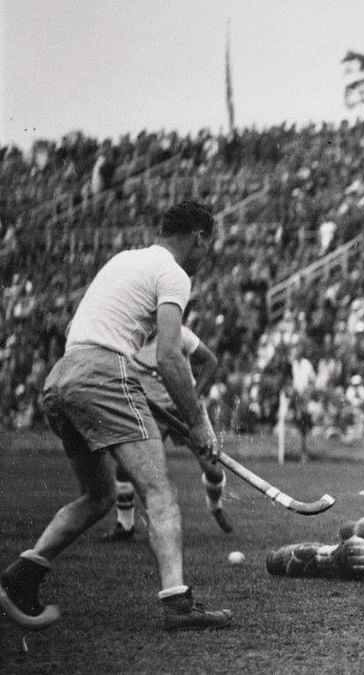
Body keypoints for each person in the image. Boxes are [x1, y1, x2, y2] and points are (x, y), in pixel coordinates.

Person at [0, 200, 232, 632]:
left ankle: (22, 575)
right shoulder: (173, 274)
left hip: (63, 376)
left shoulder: (124, 260)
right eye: (207, 245)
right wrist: (200, 426)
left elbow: (87, 333)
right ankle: (179, 605)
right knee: (158, 489)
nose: (206, 255)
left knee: (99, 495)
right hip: (104, 372)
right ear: (198, 237)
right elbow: (168, 355)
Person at [106, 324, 232, 540]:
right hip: (153, 413)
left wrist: (195, 393)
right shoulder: (128, 338)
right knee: (125, 464)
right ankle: (124, 526)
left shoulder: (179, 334)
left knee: (213, 469)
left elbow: (210, 361)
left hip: (186, 409)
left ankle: (215, 505)